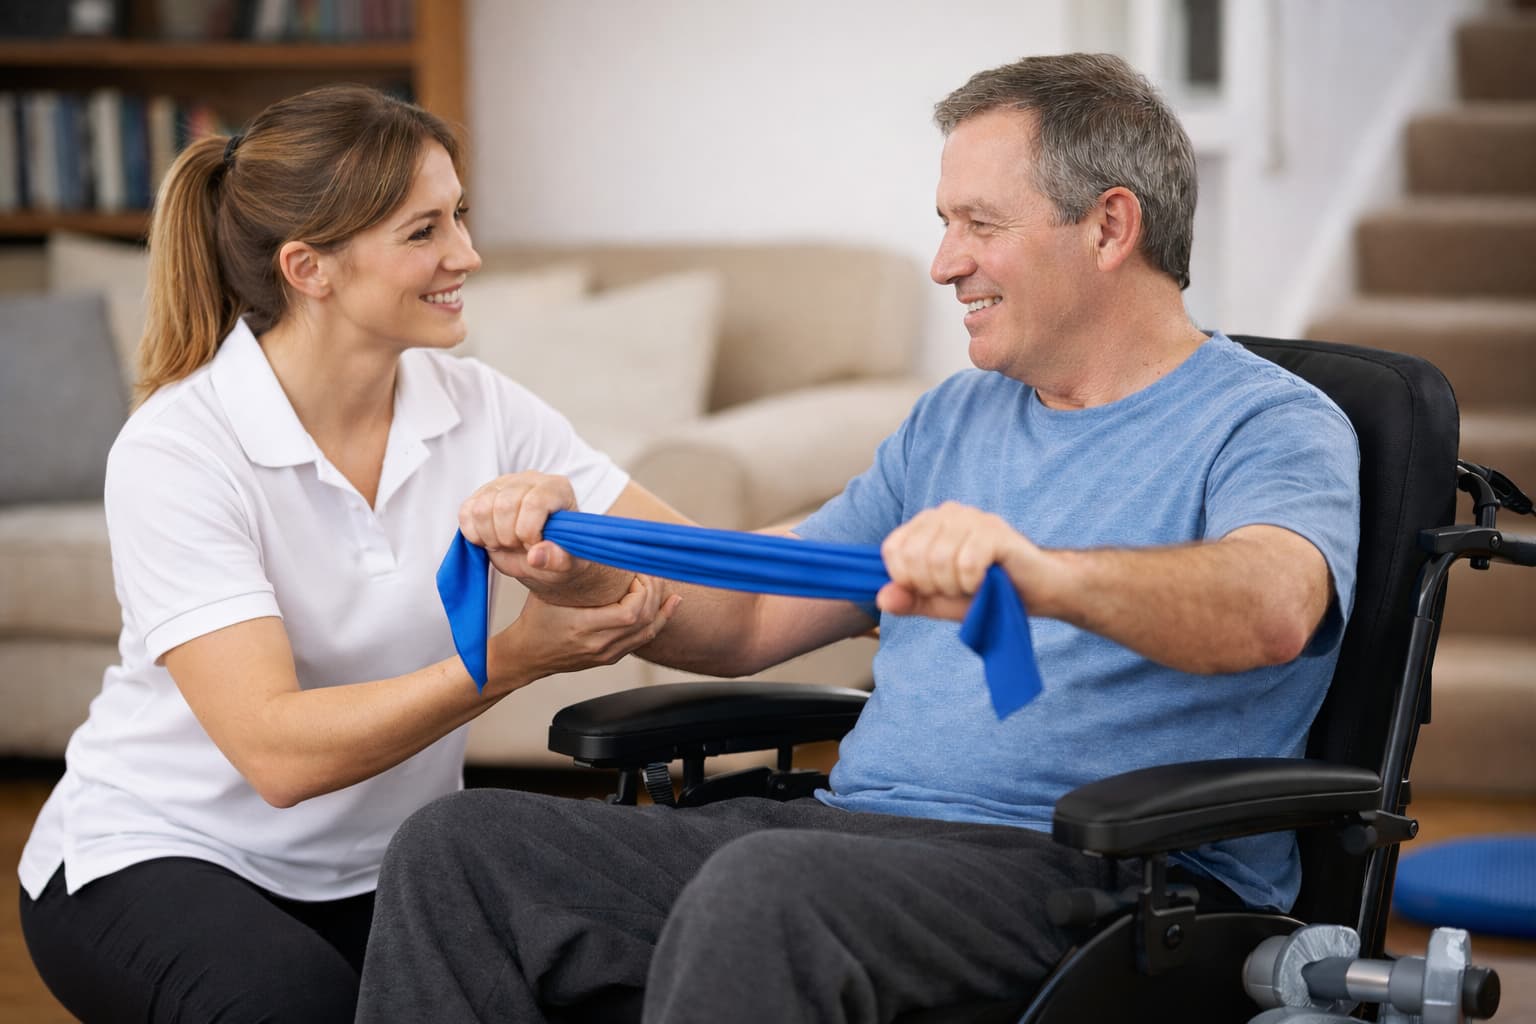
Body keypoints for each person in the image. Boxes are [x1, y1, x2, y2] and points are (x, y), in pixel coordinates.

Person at [355, 53, 1361, 1023]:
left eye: (979, 224)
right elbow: (750, 614)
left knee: (770, 889)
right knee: (461, 851)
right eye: (944, 224)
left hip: (1096, 876)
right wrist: (583, 574)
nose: (944, 263)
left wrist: (1044, 578)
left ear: (1108, 227)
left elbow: (1272, 605)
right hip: (855, 842)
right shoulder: (955, 419)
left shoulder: (1269, 422)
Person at [16, 84, 686, 1023]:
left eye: (459, 216)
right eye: (424, 231)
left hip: (388, 865)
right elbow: (277, 755)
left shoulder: (483, 407)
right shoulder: (180, 446)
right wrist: (510, 659)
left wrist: (584, 563)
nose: (467, 254)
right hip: (161, 853)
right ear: (309, 268)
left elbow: (683, 571)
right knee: (295, 1005)